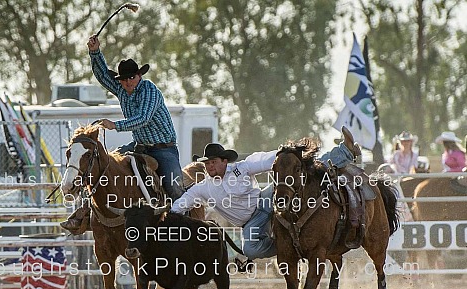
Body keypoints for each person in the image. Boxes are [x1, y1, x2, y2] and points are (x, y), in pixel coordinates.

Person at [171, 126, 361, 261]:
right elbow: (183, 203)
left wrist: (288, 154)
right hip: (250, 222)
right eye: (207, 163)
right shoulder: (203, 188)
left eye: (213, 162)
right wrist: (167, 216)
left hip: (265, 200)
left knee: (304, 168)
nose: (210, 166)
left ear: (224, 161)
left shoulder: (241, 168)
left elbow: (265, 160)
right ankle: (287, 249)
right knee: (250, 249)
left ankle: (345, 151)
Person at [61, 35, 184, 234]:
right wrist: (95, 52)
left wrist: (114, 125)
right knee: (103, 165)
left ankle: (182, 226)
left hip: (164, 149)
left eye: (131, 78)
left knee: (174, 187)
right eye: (124, 79)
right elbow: (102, 76)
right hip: (140, 145)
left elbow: (143, 118)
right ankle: (84, 212)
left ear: (138, 76)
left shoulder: (150, 90)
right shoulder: (121, 89)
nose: (127, 82)